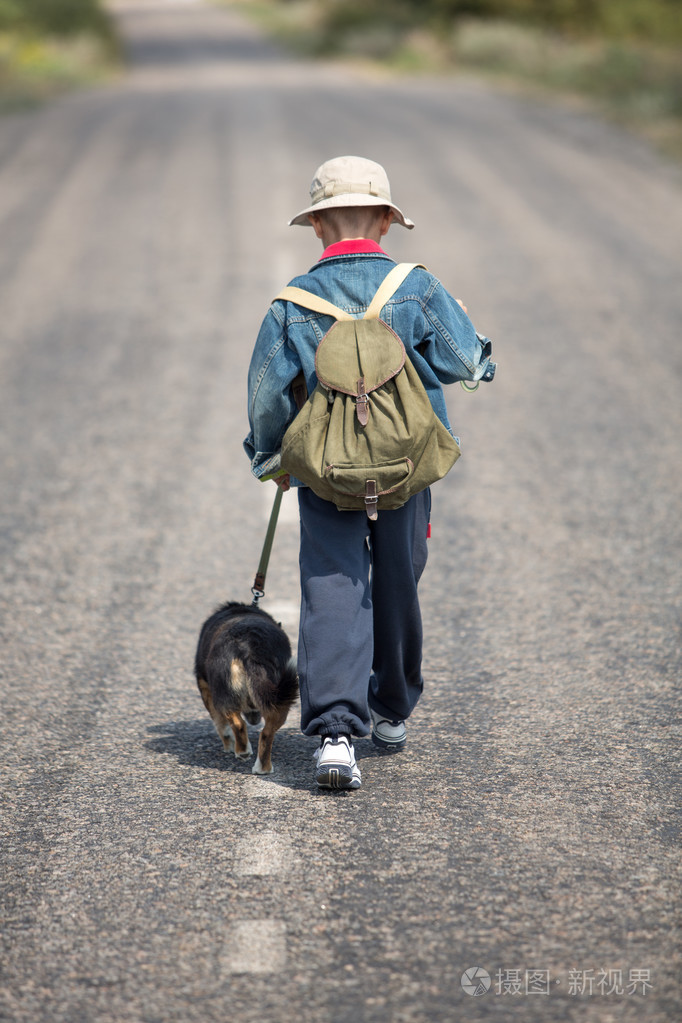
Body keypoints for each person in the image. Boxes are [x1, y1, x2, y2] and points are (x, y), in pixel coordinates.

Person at [244, 155, 493, 791]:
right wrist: (479, 362)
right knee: (399, 579)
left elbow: (270, 394)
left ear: (318, 228)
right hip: (407, 468)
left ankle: (333, 734)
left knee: (331, 584)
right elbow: (465, 359)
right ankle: (389, 707)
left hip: (326, 471)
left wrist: (271, 457)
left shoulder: (291, 302)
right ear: (386, 221)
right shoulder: (416, 287)